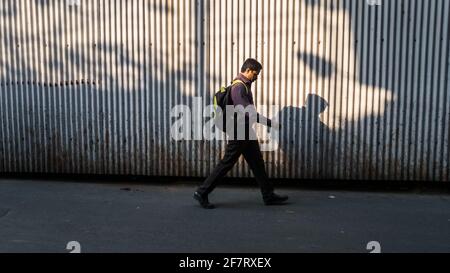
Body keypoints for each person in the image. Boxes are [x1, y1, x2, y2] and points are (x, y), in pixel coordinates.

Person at [194, 58, 289, 209]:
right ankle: (202, 192)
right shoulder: (238, 87)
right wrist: (270, 123)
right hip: (239, 131)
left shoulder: (243, 85)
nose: (257, 77)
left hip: (245, 131)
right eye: (256, 73)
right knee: (226, 163)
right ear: (249, 70)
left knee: (257, 163)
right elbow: (248, 112)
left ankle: (268, 195)